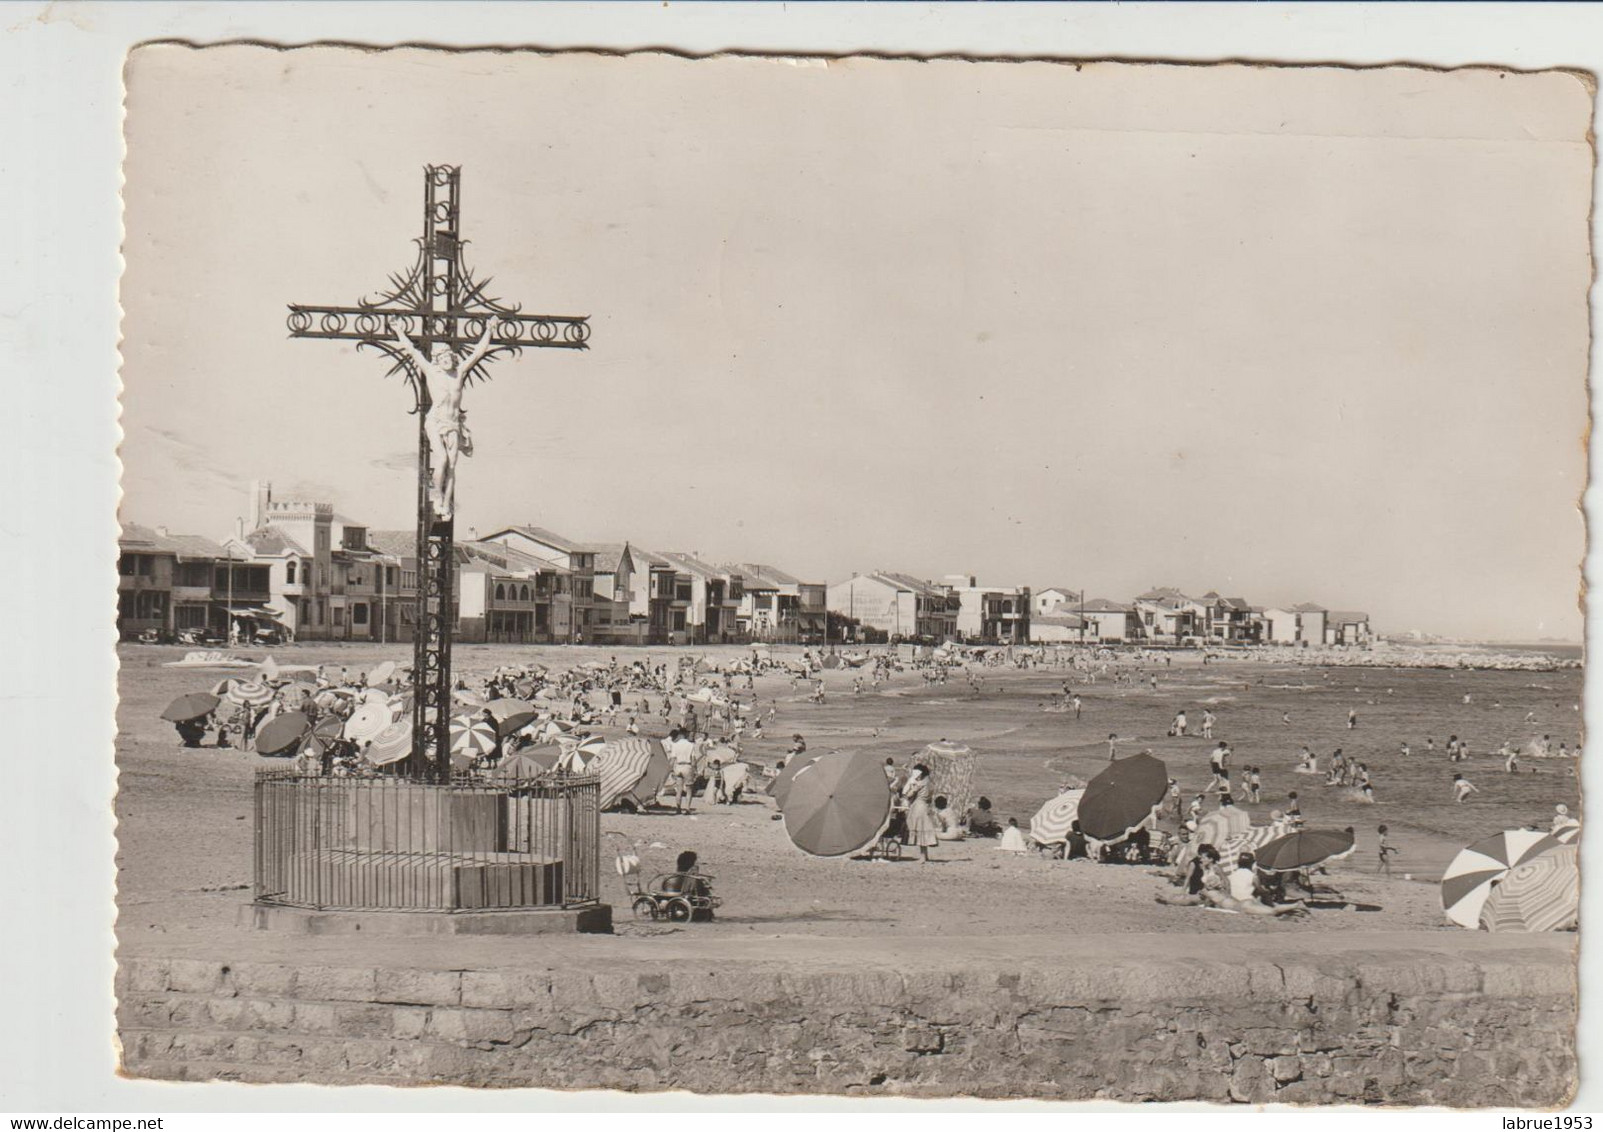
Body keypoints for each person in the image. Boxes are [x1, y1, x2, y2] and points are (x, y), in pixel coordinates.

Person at [901, 763, 940, 862]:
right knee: (924, 830)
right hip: (926, 806)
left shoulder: (920, 783)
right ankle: (924, 855)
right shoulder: (930, 783)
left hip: (918, 806)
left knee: (920, 830)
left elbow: (909, 794)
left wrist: (907, 791)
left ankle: (922, 857)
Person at [667, 728, 697, 813]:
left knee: (679, 789)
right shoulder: (691, 745)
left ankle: (678, 808)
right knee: (689, 789)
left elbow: (672, 759)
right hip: (687, 766)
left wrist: (669, 769)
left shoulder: (675, 745)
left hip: (678, 766)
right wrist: (695, 770)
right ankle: (687, 808)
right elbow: (693, 760)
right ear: (686, 734)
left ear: (680, 734)